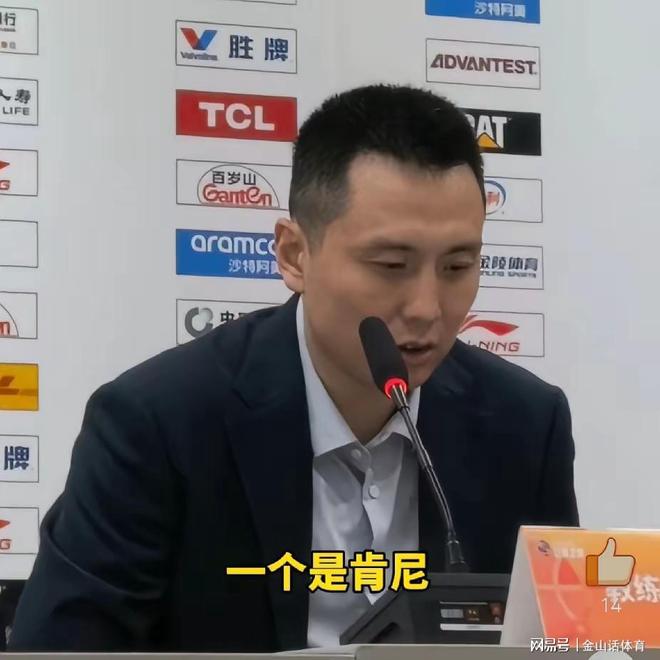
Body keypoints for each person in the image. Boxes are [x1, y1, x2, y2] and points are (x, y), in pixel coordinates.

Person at [7, 84, 578, 652]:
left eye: (457, 266)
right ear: (293, 254)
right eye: (390, 265)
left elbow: (558, 639)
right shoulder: (158, 424)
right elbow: (59, 648)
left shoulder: (525, 424)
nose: (427, 308)